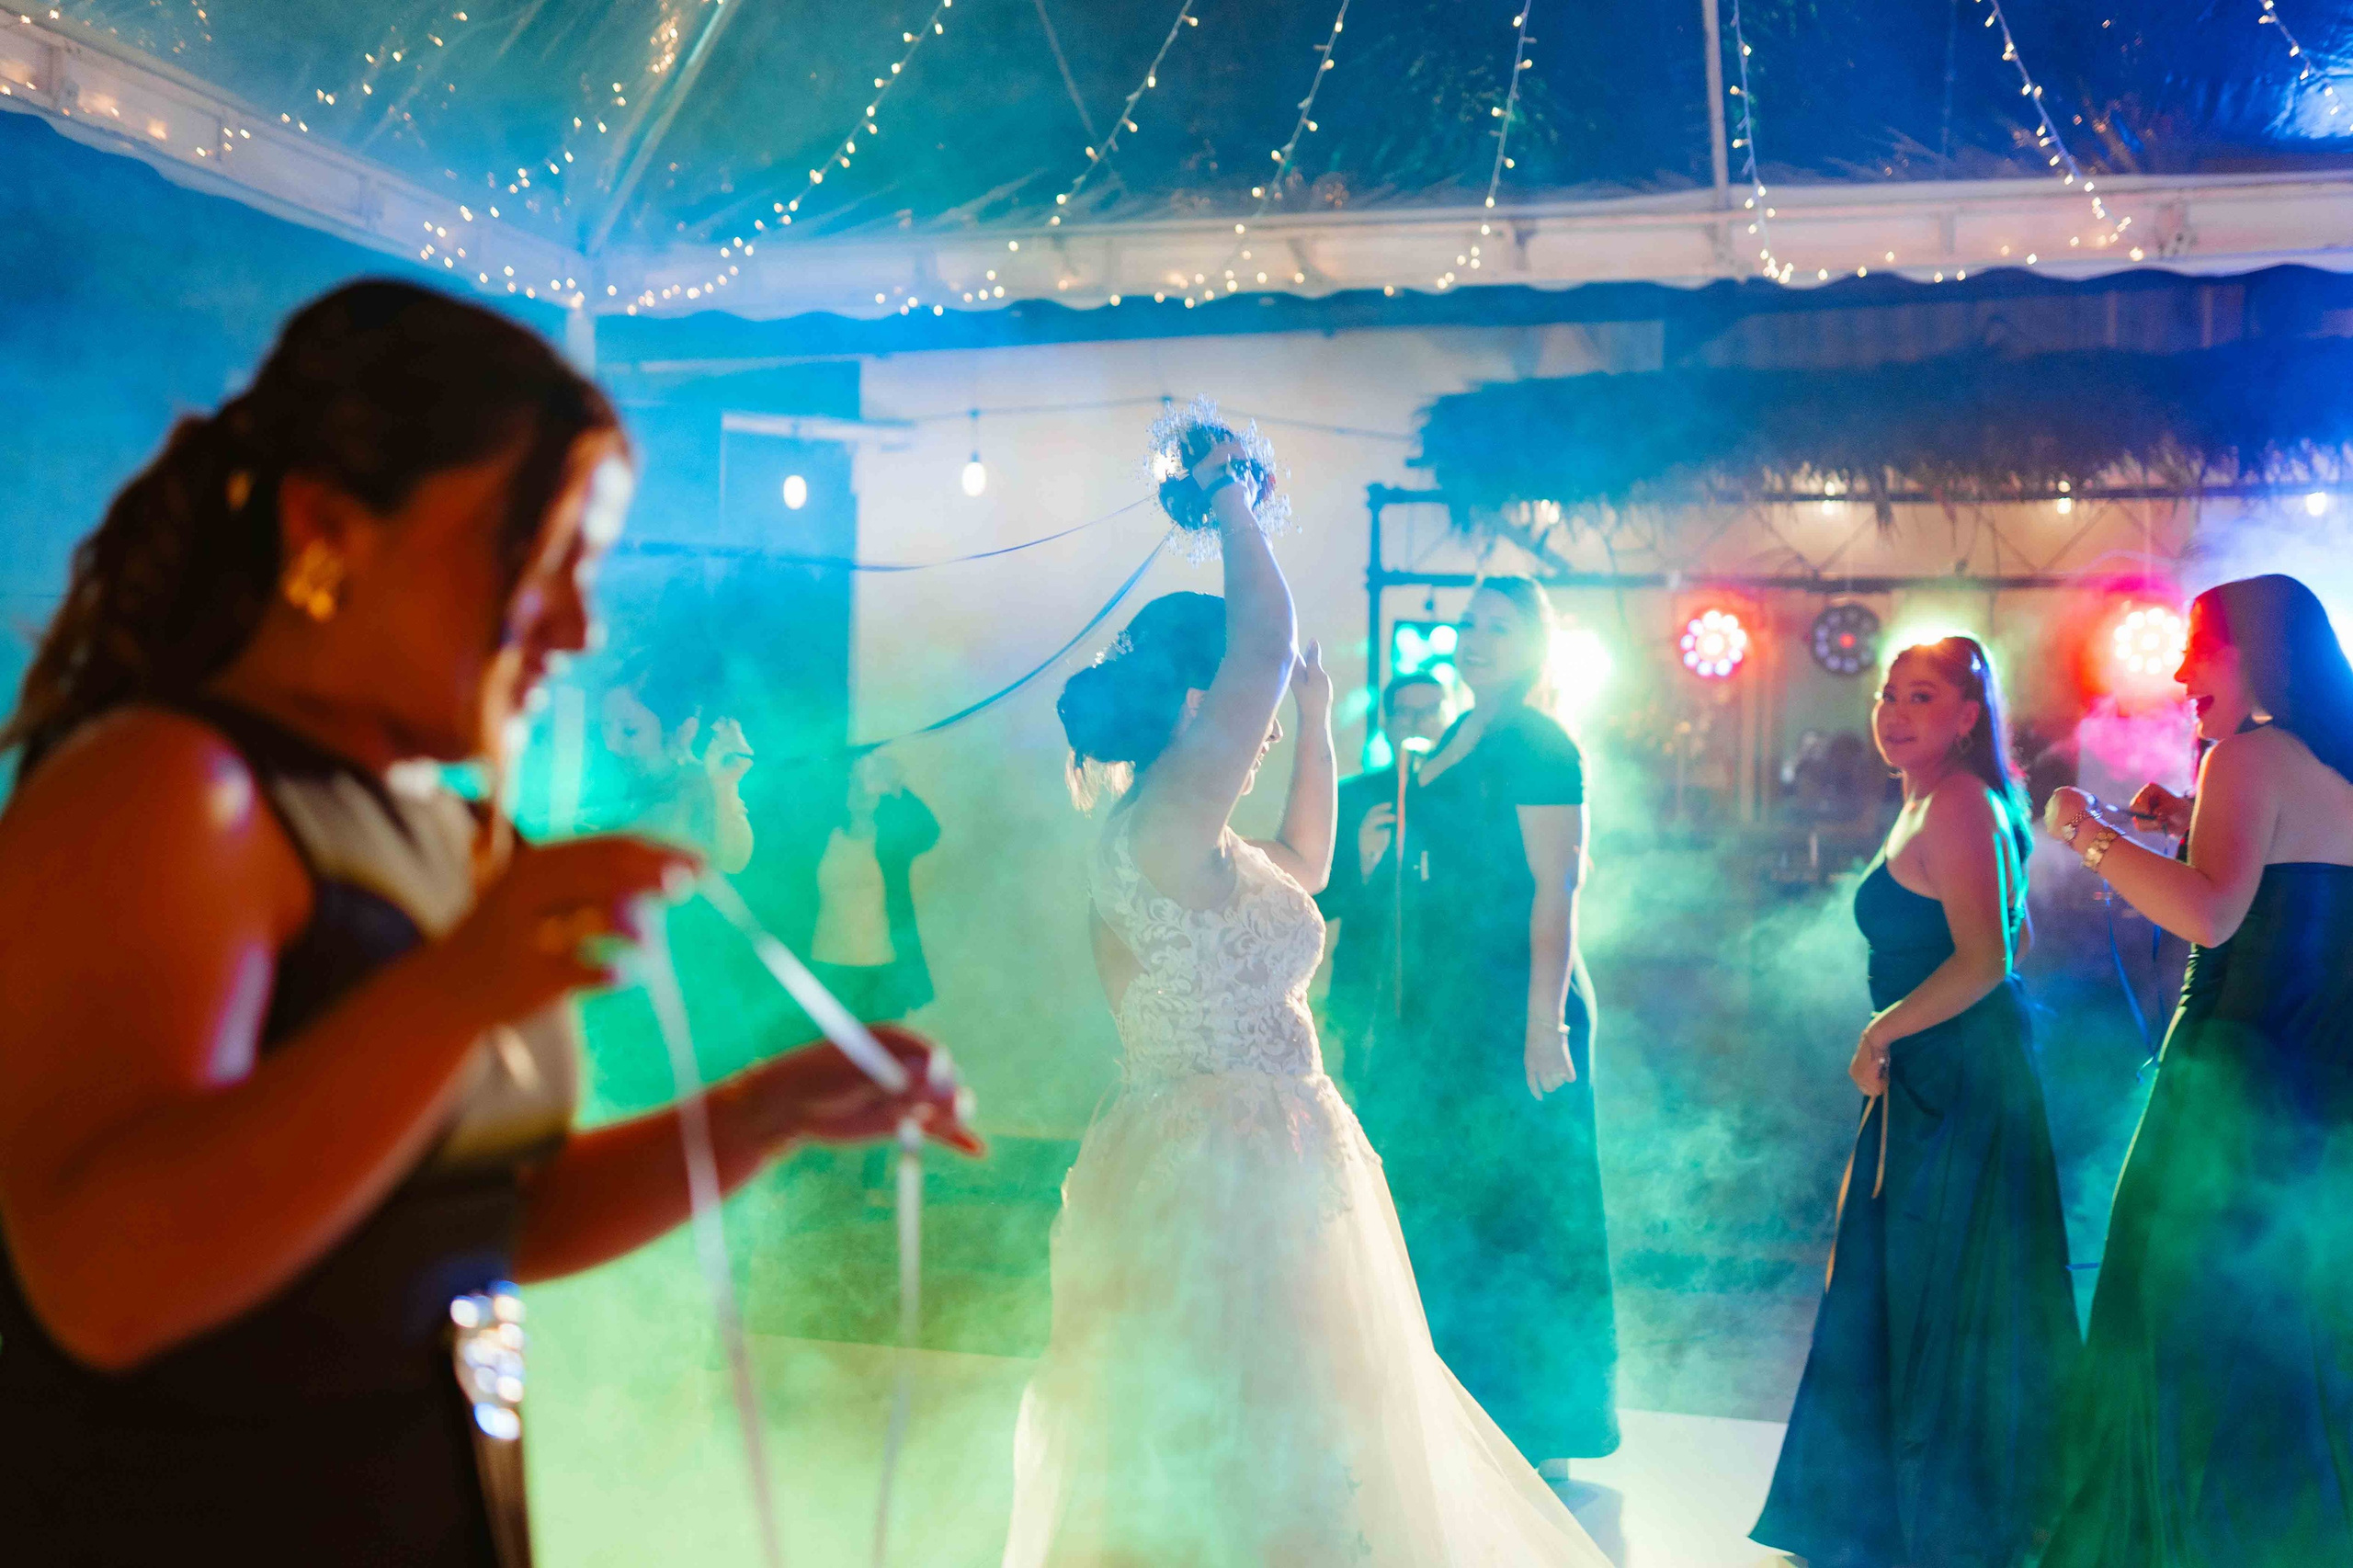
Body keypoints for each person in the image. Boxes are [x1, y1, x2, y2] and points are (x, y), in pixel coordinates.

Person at [0, 281, 978, 1566]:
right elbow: (102, 1285)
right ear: (326, 527)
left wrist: (763, 1113)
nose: (577, 628)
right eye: (535, 558)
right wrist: (457, 986)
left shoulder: (441, 820)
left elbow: (473, 1219)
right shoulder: (176, 790)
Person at [1003, 446, 1608, 1565]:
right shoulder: (1163, 814)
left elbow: (1309, 867)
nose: (1266, 711)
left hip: (1268, 1146)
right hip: (1215, 1163)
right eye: (1254, 701)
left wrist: (1321, 718)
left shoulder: (1199, 834)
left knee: (1301, 1417)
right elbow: (1264, 640)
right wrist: (1234, 500)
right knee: (1236, 1416)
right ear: (1200, 700)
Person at [2036, 575, 2353, 1568]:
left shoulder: (2246, 755)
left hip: (2224, 1087)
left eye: (2196, 649)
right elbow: (2285, 883)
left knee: (2166, 1328)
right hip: (2312, 1101)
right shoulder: (2322, 767)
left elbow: (2210, 916)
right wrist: (2181, 825)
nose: (2177, 673)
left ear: (2254, 652)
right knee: (2277, 1335)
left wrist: (2084, 831)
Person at [1753, 636, 2077, 1568]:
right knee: (1904, 1290)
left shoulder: (1965, 803)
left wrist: (1878, 1031)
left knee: (1946, 1297)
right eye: (1887, 694)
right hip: (1937, 1073)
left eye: (1922, 696)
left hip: (1958, 1079)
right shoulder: (1933, 800)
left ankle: (1939, 1523)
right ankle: (1884, 1515)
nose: (1893, 711)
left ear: (1968, 717)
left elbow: (1987, 960)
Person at [1362, 576, 1618, 1473]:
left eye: (1497, 626)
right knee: (1448, 1197)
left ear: (1535, 644)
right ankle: (1452, 1400)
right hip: (1446, 1003)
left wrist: (1542, 1022)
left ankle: (1525, 1419)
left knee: (1515, 1206)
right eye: (1468, 622)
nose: (1473, 637)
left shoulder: (1540, 741)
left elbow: (1559, 883)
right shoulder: (1456, 734)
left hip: (1515, 998)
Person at [1313, 670, 1451, 1078]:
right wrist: (1364, 863)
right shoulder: (1352, 797)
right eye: (1405, 713)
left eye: (1430, 712)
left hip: (1450, 993)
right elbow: (1319, 903)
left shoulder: (1469, 800)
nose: (1417, 723)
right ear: (1387, 724)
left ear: (1450, 720)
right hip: (1369, 994)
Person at [809, 747, 941, 1024]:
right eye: (856, 784)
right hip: (828, 967)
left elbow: (929, 831)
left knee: (882, 1058)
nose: (863, 791)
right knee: (834, 1059)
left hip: (881, 970)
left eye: (870, 783)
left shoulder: (891, 843)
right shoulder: (822, 837)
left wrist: (896, 785)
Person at [598, 677, 756, 874]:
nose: (611, 745)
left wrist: (725, 787)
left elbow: (732, 860)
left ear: (684, 731)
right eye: (604, 726)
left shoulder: (705, 786)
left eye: (630, 730)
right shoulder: (617, 783)